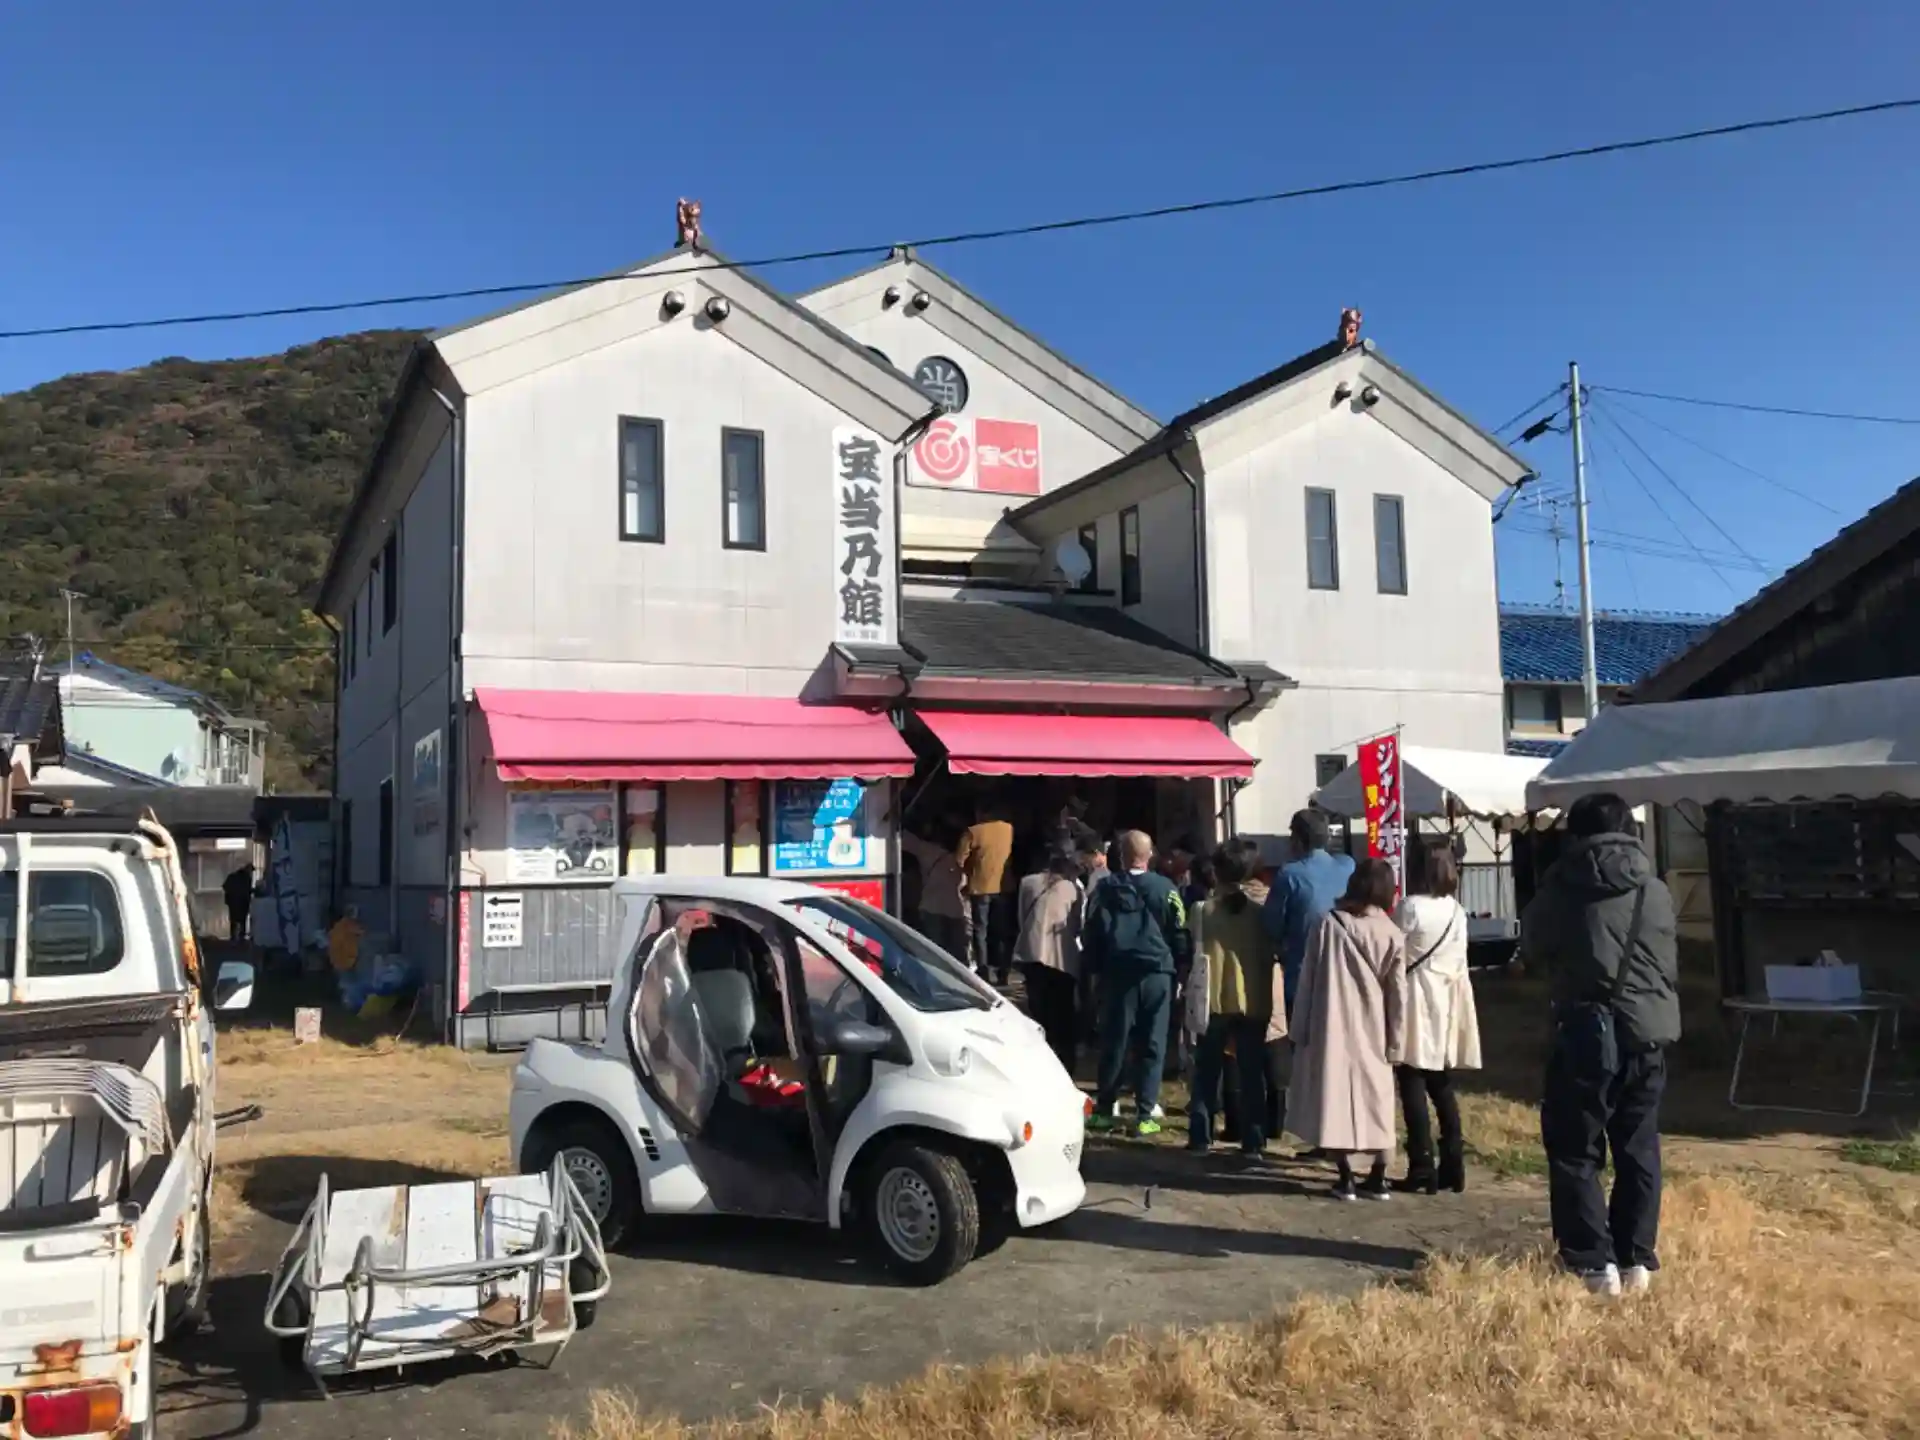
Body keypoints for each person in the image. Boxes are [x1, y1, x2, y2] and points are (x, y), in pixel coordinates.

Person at [1522, 792, 1679, 1298]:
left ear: (1575, 832)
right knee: (1638, 1148)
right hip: (1647, 1033)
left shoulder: (1562, 886)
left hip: (1585, 1030)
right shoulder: (1656, 889)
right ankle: (1637, 1260)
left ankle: (1593, 1262)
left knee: (1575, 1147)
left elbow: (1533, 947)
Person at [1288, 858, 1406, 1200]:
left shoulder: (1329, 924)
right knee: (1378, 1099)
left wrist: (1299, 1027)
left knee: (1336, 1097)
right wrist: (1397, 1041)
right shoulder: (1392, 933)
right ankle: (1379, 1175)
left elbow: (1309, 977)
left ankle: (1346, 1177)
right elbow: (1398, 995)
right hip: (1375, 1026)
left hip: (1333, 1023)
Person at [1083, 830, 1189, 1136]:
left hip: (1117, 974)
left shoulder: (1104, 890)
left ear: (1120, 856)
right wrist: (1180, 970)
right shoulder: (1166, 888)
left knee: (1114, 1041)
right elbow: (1179, 930)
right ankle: (1145, 1112)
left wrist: (1094, 972)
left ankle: (1105, 1109)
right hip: (1157, 973)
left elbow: (1091, 933)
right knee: (1153, 1042)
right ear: (1150, 855)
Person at [1393, 839, 1482, 1193]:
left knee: (1412, 1081)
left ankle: (1421, 1164)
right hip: (1447, 999)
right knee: (1441, 1084)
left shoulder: (1410, 907)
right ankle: (1453, 1163)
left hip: (1415, 998)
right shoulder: (1457, 911)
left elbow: (1393, 951)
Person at [1184, 843, 1281, 1155]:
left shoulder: (1201, 911)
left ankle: (1200, 1135)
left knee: (1206, 1072)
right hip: (1253, 998)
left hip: (1212, 999)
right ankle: (1254, 1139)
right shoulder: (1261, 914)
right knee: (1252, 1073)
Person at [1262, 810, 1355, 1135]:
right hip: (1348, 977)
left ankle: (1318, 1127)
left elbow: (1271, 926)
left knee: (1308, 1056)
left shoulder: (1290, 875)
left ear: (1297, 839)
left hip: (1303, 977)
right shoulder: (1347, 866)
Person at [1014, 852, 1084, 1071]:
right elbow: (1076, 925)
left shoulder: (1027, 882)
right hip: (1061, 956)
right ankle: (1066, 1064)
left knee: (1038, 1011)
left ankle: (1039, 1061)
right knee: (1063, 1013)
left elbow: (1021, 916)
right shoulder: (1073, 889)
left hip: (1031, 951)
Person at [955, 804, 1015, 983]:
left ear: (980, 813)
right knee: (1002, 930)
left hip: (980, 887)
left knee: (981, 930)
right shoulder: (1008, 829)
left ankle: (984, 970)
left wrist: (970, 869)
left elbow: (959, 860)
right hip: (1004, 886)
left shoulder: (973, 832)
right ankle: (1004, 971)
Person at [901, 823, 969, 962]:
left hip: (931, 906)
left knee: (935, 950)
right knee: (958, 952)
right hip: (957, 911)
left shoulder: (929, 851)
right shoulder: (965, 860)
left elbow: (904, 839)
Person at [223, 862, 256, 944]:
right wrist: (254, 891)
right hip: (242, 902)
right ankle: (241, 936)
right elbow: (247, 891)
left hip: (233, 902)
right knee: (242, 920)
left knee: (233, 920)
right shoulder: (246, 879)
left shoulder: (232, 876)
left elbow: (225, 886)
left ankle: (233, 936)